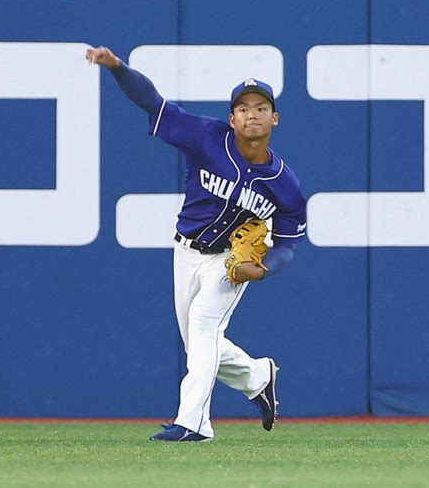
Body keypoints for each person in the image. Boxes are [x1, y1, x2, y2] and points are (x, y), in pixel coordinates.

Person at [86, 46, 306, 442]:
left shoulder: (284, 184)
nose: (251, 113)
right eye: (243, 107)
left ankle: (193, 424)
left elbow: (287, 243)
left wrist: (262, 268)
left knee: (204, 329)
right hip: (184, 251)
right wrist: (117, 67)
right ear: (232, 118)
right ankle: (259, 376)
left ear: (274, 118)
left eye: (260, 107)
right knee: (200, 345)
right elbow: (152, 102)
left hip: (228, 264)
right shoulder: (206, 137)